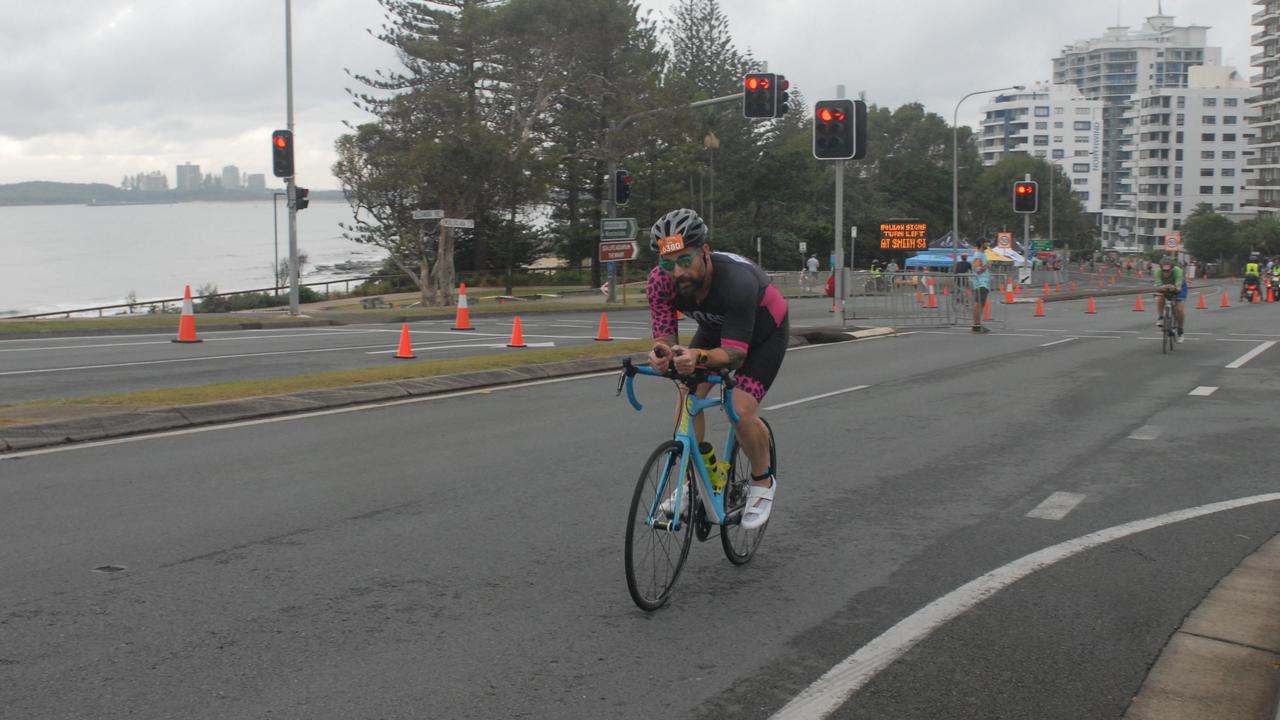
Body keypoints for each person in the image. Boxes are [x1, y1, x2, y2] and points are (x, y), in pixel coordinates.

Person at [645, 208, 788, 530]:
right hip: (714, 329)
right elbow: (665, 336)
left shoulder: (737, 281)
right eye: (668, 263)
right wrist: (662, 353)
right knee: (686, 394)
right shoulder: (659, 282)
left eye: (685, 260)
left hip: (763, 334)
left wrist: (696, 355)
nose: (677, 271)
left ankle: (762, 481)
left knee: (739, 409)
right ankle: (691, 483)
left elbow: (735, 355)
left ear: (704, 252)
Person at [1154, 255, 1185, 343]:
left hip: (1178, 286)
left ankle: (1180, 330)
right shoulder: (1157, 272)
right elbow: (1158, 287)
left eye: (1168, 270)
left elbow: (1178, 288)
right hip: (1166, 286)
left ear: (1172, 268)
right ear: (1161, 268)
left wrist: (1174, 288)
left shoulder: (1178, 271)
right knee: (1160, 296)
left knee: (1179, 309)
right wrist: (1163, 287)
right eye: (1164, 270)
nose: (1166, 272)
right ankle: (1160, 317)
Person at [970, 242, 991, 333]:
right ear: (982, 244)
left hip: (982, 283)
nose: (988, 244)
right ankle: (977, 325)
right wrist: (988, 265)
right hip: (981, 284)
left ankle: (977, 324)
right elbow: (977, 269)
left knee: (979, 304)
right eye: (986, 243)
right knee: (978, 304)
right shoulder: (978, 255)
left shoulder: (981, 254)